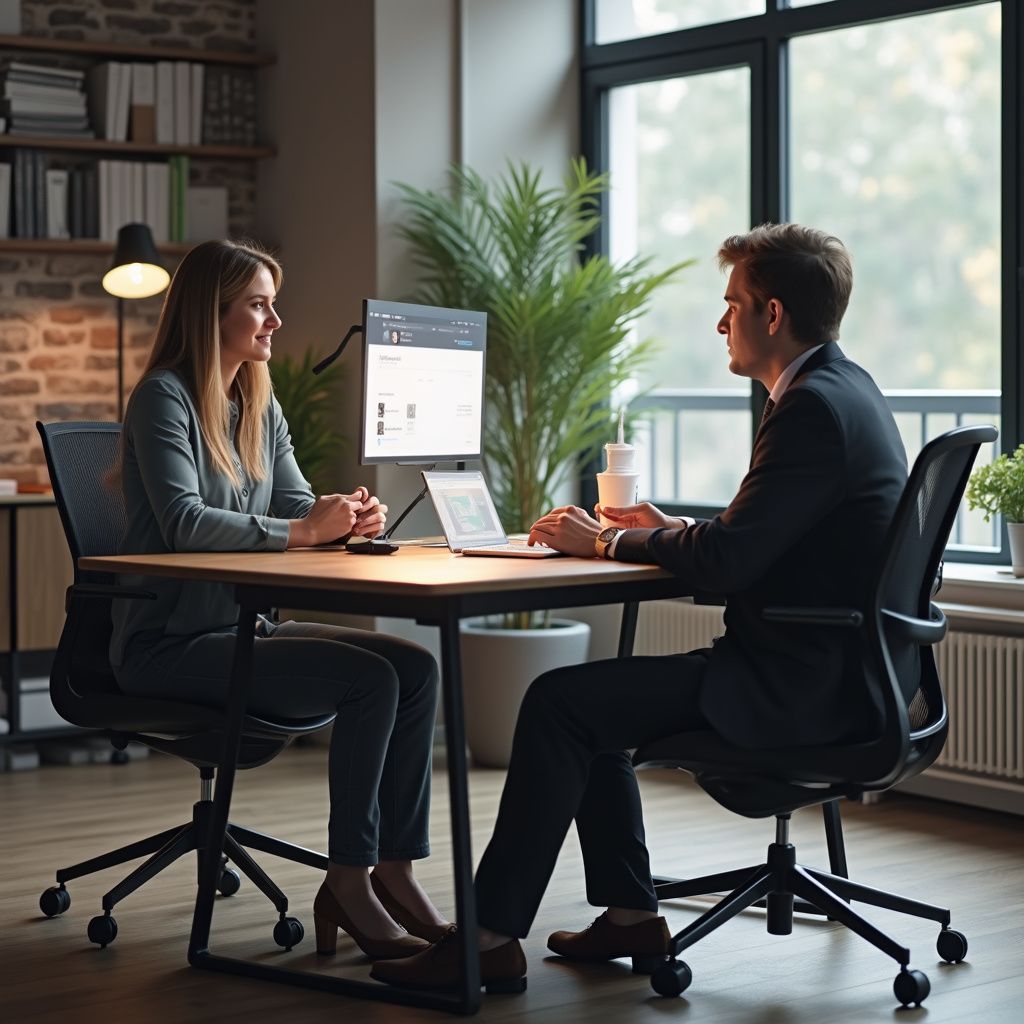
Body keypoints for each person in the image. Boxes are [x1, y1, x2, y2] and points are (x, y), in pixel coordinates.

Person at [371, 223, 912, 992]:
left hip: (799, 688)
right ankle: (631, 916)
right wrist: (668, 532)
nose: (720, 322)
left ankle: (488, 940)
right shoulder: (844, 388)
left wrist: (607, 544)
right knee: (594, 702)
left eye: (732, 304)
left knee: (563, 703)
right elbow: (763, 537)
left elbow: (731, 563)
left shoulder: (811, 408)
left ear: (773, 314)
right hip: (842, 671)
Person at [110, 239, 450, 961]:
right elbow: (185, 523)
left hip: (243, 630)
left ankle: (391, 868)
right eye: (259, 305)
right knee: (372, 679)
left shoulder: (256, 401)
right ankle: (348, 880)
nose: (275, 321)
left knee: (414, 668)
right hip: (165, 646)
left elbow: (297, 502)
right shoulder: (163, 398)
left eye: (272, 303)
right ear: (213, 315)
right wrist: (302, 529)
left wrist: (345, 516)